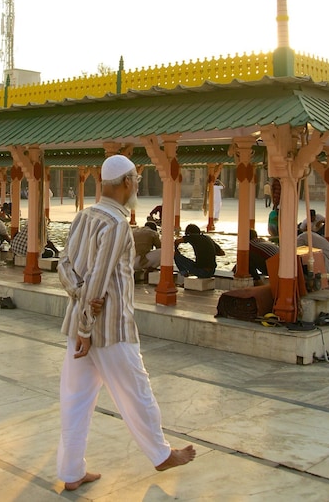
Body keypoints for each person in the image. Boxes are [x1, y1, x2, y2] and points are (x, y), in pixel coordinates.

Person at [56, 154, 195, 491]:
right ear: (127, 183)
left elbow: (63, 264)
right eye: (135, 180)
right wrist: (88, 330)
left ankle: (71, 473)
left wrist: (77, 300)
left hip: (78, 324)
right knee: (137, 391)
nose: (135, 185)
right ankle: (161, 454)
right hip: (109, 328)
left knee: (75, 402)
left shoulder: (83, 216)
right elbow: (100, 281)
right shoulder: (116, 224)